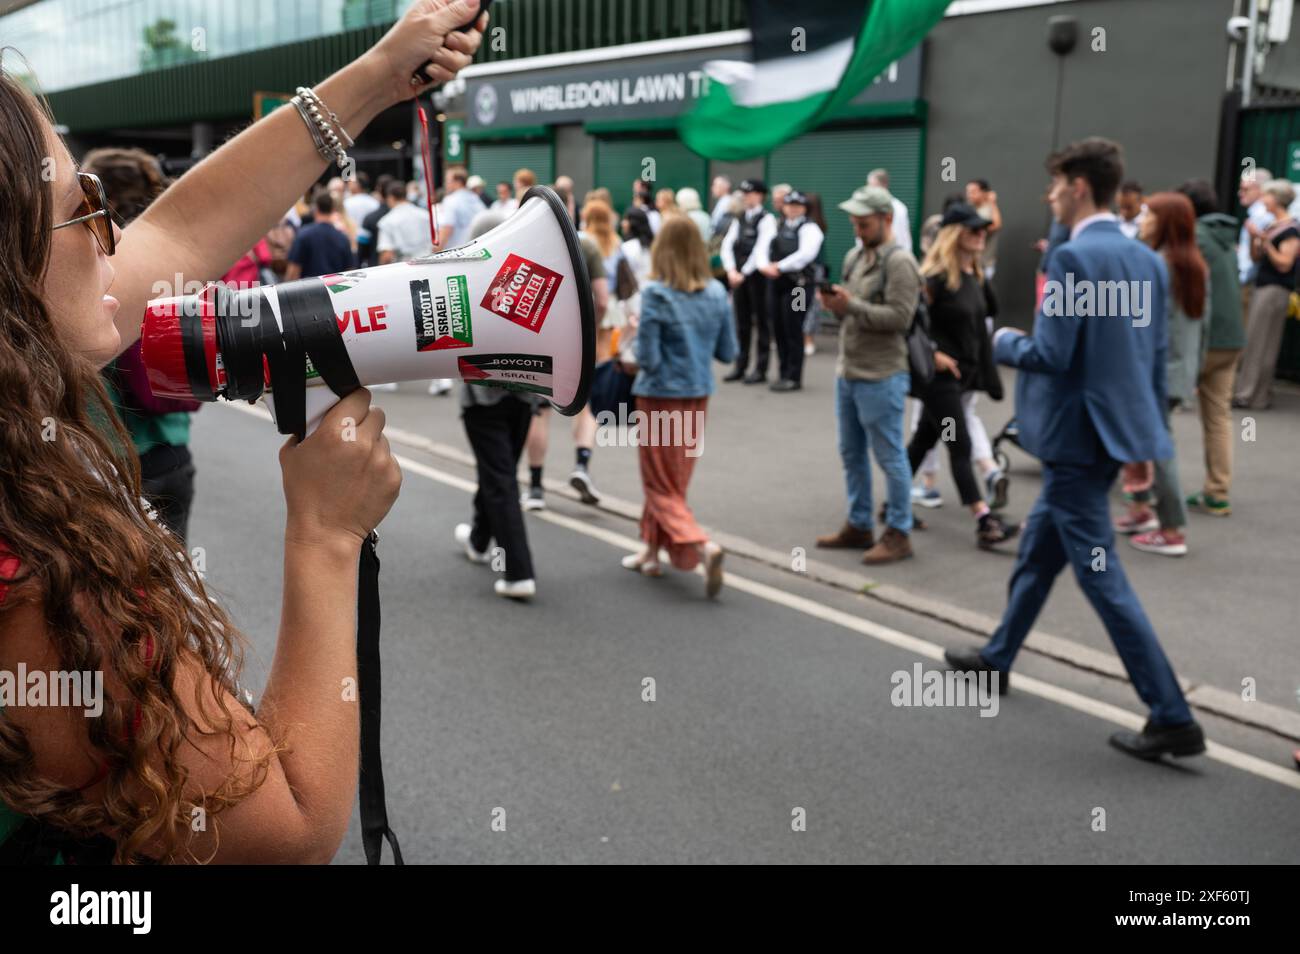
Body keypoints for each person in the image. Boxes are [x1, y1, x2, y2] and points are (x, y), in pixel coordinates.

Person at [0, 0, 483, 864]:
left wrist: (379, 72)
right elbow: (287, 828)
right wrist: (329, 534)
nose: (115, 238)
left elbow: (183, 230)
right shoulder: (36, 589)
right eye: (86, 208)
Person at [944, 137, 1205, 760]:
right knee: (1039, 554)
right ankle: (998, 657)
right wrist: (1142, 441)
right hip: (1111, 435)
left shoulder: (1072, 259)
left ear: (1080, 187)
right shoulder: (1145, 260)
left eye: (1056, 185)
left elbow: (1052, 354)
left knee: (1102, 577)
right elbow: (1146, 354)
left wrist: (999, 340)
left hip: (1073, 440)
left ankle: (1171, 714)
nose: (1050, 196)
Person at [82, 147, 202, 543]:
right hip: (173, 450)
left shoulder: (97, 269)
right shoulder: (171, 264)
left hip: (114, 461)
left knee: (122, 600)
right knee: (179, 591)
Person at [624, 216, 736, 596]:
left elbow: (649, 359)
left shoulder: (656, 293)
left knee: (658, 483)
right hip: (696, 394)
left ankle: (703, 547)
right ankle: (652, 553)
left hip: (659, 395)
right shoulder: (718, 293)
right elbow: (728, 352)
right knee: (674, 481)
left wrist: (638, 332)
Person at [815, 186, 919, 564]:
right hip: (850, 370)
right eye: (854, 223)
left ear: (886, 219)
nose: (857, 229)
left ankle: (899, 532)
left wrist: (852, 305)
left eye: (864, 223)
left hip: (882, 374)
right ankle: (859, 525)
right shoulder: (855, 256)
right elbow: (851, 313)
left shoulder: (901, 262)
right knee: (851, 453)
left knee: (890, 456)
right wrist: (835, 305)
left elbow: (900, 319)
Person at [909, 203, 1018, 548]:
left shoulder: (975, 276)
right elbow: (909, 323)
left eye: (983, 230)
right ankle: (985, 521)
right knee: (960, 445)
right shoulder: (934, 280)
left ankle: (891, 506)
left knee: (923, 440)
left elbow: (988, 316)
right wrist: (932, 353)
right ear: (955, 236)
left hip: (963, 377)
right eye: (974, 230)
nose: (981, 235)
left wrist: (977, 269)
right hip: (939, 380)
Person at [1115, 192, 1208, 557]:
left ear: (1166, 222)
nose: (1143, 221)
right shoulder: (1194, 265)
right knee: (1142, 440)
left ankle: (1171, 529)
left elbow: (1137, 324)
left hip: (1151, 371)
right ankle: (1140, 509)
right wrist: (1194, 373)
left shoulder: (1154, 265)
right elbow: (1203, 326)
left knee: (1157, 446)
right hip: (1177, 370)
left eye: (1149, 215)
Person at [454, 212, 541, 601]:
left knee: (500, 477)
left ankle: (517, 570)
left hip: (482, 397)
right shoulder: (529, 280)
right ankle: (478, 538)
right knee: (498, 471)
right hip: (525, 394)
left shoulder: (468, 283)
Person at [522, 190, 608, 510]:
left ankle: (534, 488)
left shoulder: (526, 245)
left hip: (539, 341)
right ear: (570, 208)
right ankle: (582, 466)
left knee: (540, 413)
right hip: (579, 342)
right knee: (585, 406)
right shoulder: (586, 245)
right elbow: (601, 299)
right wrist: (590, 331)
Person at [1177, 178, 1246, 516]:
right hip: (1231, 339)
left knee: (1156, 408)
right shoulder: (1225, 238)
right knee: (1219, 417)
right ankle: (1217, 492)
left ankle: (1144, 488)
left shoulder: (1195, 239)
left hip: (1204, 339)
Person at [1234, 178, 1298, 409]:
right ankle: (1256, 395)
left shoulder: (1291, 229)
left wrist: (1264, 241)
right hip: (1266, 286)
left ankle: (1247, 393)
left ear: (1277, 199)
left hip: (1274, 289)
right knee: (1261, 342)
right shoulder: (1273, 226)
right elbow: (1256, 257)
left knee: (1260, 342)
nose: (1264, 198)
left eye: (1268, 195)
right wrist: (1255, 238)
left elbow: (1284, 263)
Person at [758, 188, 823, 391]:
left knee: (794, 328)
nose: (793, 209)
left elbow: (805, 255)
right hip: (777, 283)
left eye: (797, 206)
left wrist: (778, 266)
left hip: (799, 287)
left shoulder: (810, 228)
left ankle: (794, 376)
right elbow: (761, 247)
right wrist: (764, 266)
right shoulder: (777, 225)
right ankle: (783, 372)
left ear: (804, 208)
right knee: (778, 327)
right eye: (789, 205)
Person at [720, 179, 778, 384]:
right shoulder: (740, 218)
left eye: (750, 193)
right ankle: (740, 365)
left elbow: (760, 249)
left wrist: (742, 272)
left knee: (762, 322)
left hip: (757, 278)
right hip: (739, 277)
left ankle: (760, 369)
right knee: (741, 323)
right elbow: (727, 245)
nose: (745, 197)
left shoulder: (767, 219)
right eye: (744, 193)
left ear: (760, 195)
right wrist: (730, 270)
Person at [286, 190, 356, 280]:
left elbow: (293, 271)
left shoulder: (303, 235)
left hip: (307, 290)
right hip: (334, 290)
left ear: (316, 208)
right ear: (332, 210)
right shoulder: (342, 238)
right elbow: (349, 271)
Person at [376, 179, 434, 264]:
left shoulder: (387, 221)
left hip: (403, 268)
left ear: (390, 197)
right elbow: (437, 244)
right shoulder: (425, 215)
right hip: (428, 263)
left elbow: (386, 254)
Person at [436, 164, 481, 251]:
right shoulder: (475, 198)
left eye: (447, 180)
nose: (445, 183)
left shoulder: (450, 200)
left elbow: (446, 229)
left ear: (457, 182)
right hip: (475, 250)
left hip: (455, 253)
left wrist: (434, 252)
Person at [964, 178, 1002, 279]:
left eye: (973, 192)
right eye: (968, 192)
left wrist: (992, 202)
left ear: (984, 193)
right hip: (972, 264)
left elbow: (996, 225)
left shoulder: (987, 211)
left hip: (983, 265)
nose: (969, 195)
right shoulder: (972, 209)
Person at [867, 168, 912, 254]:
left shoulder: (900, 208)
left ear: (883, 185)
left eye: (872, 186)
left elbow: (905, 239)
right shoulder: (868, 207)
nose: (869, 190)